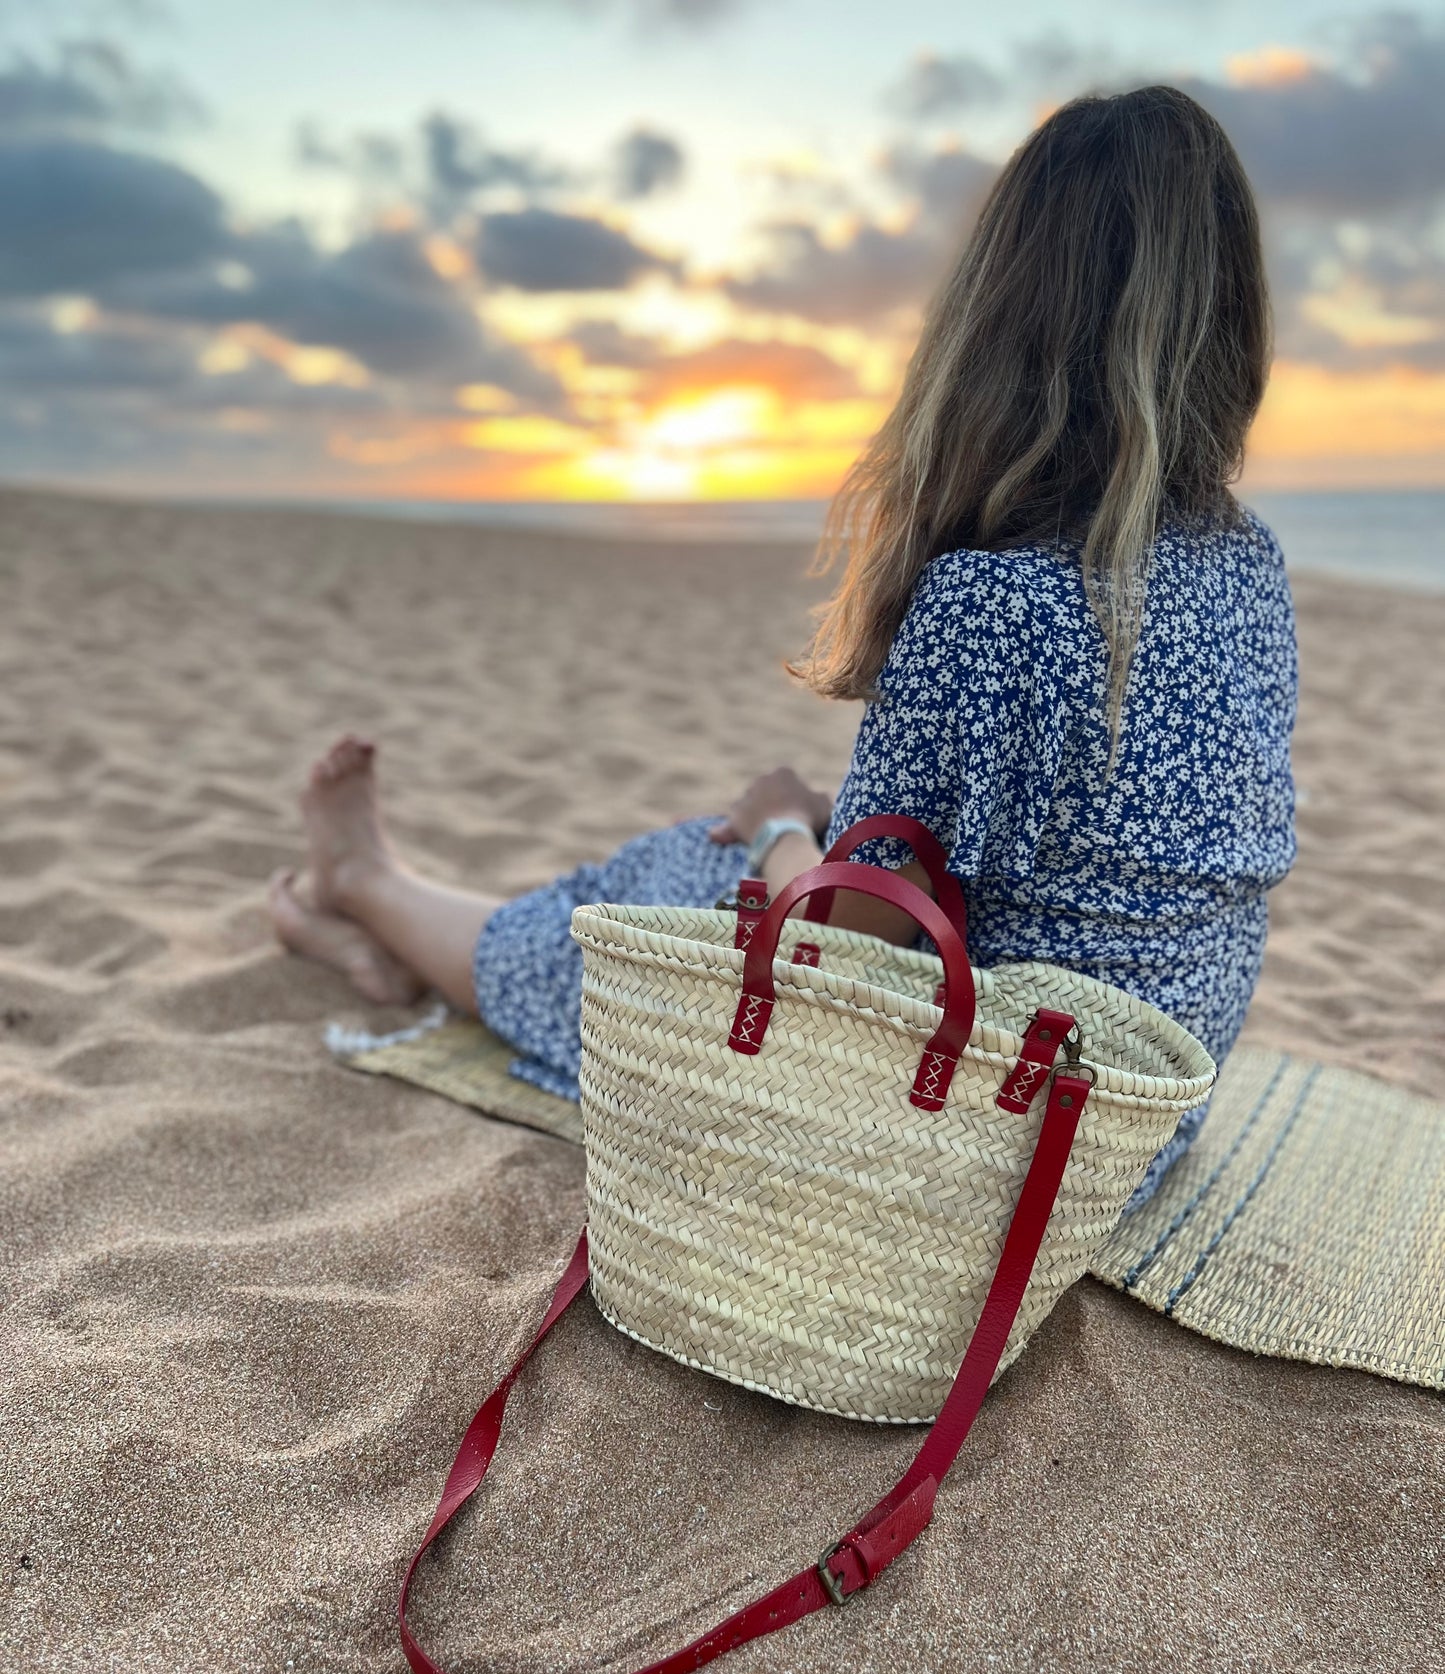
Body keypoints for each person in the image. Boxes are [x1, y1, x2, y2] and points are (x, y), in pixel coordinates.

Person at [270, 84, 1297, 1213]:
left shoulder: (989, 606)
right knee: (759, 854)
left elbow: (835, 969)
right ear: (1228, 321)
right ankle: (380, 936)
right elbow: (1090, 859)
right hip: (1137, 1122)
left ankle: (366, 884)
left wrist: (773, 824)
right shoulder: (1244, 565)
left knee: (671, 884)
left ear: (998, 316)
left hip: (986, 1145)